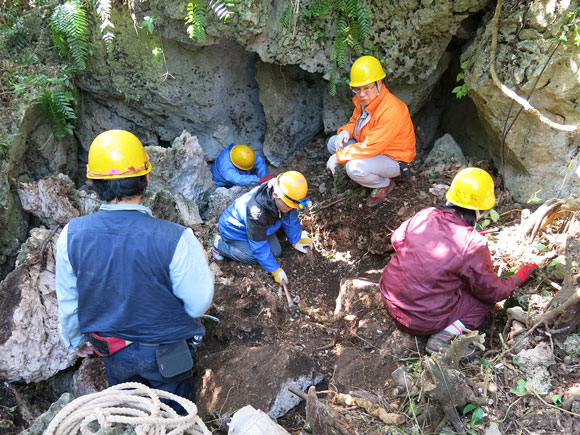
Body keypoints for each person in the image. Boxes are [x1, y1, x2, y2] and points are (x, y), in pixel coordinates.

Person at [55, 130, 214, 408]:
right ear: (147, 180)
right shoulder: (176, 238)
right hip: (167, 353)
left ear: (94, 183)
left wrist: (75, 340)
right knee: (176, 412)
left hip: (113, 352)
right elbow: (198, 304)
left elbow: (69, 300)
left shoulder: (71, 235)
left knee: (133, 410)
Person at [379, 168, 537, 355]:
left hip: (389, 298)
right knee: (483, 302)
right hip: (419, 321)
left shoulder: (426, 214)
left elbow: (397, 239)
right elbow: (492, 292)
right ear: (484, 209)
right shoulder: (473, 244)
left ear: (450, 197)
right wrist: (519, 277)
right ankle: (444, 337)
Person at [326, 55, 416, 207]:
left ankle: (384, 183)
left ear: (379, 83)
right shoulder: (364, 102)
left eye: (367, 88)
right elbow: (355, 122)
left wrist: (338, 157)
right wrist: (346, 132)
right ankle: (366, 174)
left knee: (353, 168)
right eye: (357, 89)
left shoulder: (392, 110)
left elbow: (371, 146)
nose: (361, 94)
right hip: (374, 149)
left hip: (394, 158)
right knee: (333, 143)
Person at [212, 171, 312, 285]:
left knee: (276, 252)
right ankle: (220, 245)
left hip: (259, 227)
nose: (290, 208)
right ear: (275, 195)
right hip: (235, 231)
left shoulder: (283, 191)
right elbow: (258, 246)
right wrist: (274, 269)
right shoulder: (256, 213)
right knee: (255, 257)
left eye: (293, 205)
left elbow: (291, 217)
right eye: (288, 205)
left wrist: (296, 239)